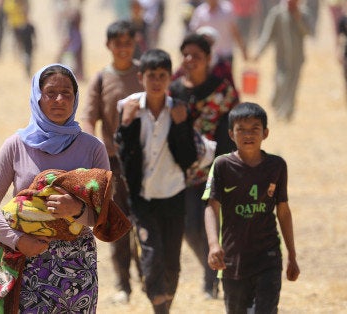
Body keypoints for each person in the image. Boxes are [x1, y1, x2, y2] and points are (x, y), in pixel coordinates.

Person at [0, 64, 111, 312]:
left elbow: (106, 215)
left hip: (78, 266)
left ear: (76, 98)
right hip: (28, 261)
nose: (59, 100)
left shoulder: (93, 148)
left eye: (66, 93)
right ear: (37, 97)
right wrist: (17, 240)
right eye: (50, 93)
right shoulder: (16, 145)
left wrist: (77, 210)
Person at [116, 49, 198, 313]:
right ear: (141, 77)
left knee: (172, 261)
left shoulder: (180, 110)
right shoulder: (129, 108)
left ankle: (164, 305)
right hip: (143, 198)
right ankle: (160, 308)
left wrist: (182, 127)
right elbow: (124, 156)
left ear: (169, 78)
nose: (157, 81)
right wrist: (126, 125)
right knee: (151, 255)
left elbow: (188, 159)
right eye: (151, 75)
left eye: (162, 75)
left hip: (173, 194)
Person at [203, 102, 300, 313]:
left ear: (265, 133)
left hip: (268, 257)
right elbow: (211, 207)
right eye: (241, 130)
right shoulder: (222, 166)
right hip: (232, 260)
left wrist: (292, 254)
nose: (248, 135)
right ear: (231, 134)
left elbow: (283, 211)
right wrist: (213, 245)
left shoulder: (276, 166)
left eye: (254, 129)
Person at [169, 32, 239, 299]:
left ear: (208, 59)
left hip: (217, 170)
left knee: (211, 224)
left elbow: (237, 128)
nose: (190, 60)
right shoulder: (174, 90)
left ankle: (212, 280)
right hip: (183, 172)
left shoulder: (222, 90)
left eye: (196, 56)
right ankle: (212, 269)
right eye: (185, 55)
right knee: (188, 227)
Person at [80, 19, 144, 305]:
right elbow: (88, 117)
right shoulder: (101, 78)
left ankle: (148, 278)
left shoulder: (146, 74)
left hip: (146, 162)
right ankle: (124, 285)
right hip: (114, 164)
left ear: (135, 43)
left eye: (128, 43)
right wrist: (92, 153)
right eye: (117, 43)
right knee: (118, 224)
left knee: (147, 221)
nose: (123, 49)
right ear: (109, 46)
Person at [254, 0, 313, 121]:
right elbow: (267, 35)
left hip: (297, 58)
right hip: (281, 58)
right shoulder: (277, 13)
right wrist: (259, 52)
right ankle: (276, 103)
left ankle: (288, 113)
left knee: (293, 86)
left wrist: (298, 19)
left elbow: (309, 32)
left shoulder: (303, 13)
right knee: (281, 83)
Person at [189, 0, 249, 78]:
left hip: (225, 55)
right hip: (207, 57)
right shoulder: (200, 12)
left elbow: (235, 31)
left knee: (226, 82)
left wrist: (243, 50)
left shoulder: (228, 10)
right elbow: (195, 34)